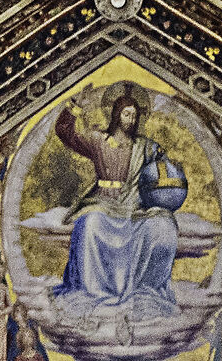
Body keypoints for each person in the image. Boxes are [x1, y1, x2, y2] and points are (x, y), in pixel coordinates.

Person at [49, 84, 181, 315]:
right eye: (126, 114)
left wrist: (167, 166)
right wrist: (74, 108)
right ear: (116, 114)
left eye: (134, 116)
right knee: (90, 224)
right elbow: (66, 134)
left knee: (164, 226)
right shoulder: (98, 140)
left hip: (135, 206)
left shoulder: (145, 147)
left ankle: (147, 291)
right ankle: (91, 292)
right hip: (103, 203)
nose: (131, 120)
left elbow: (164, 171)